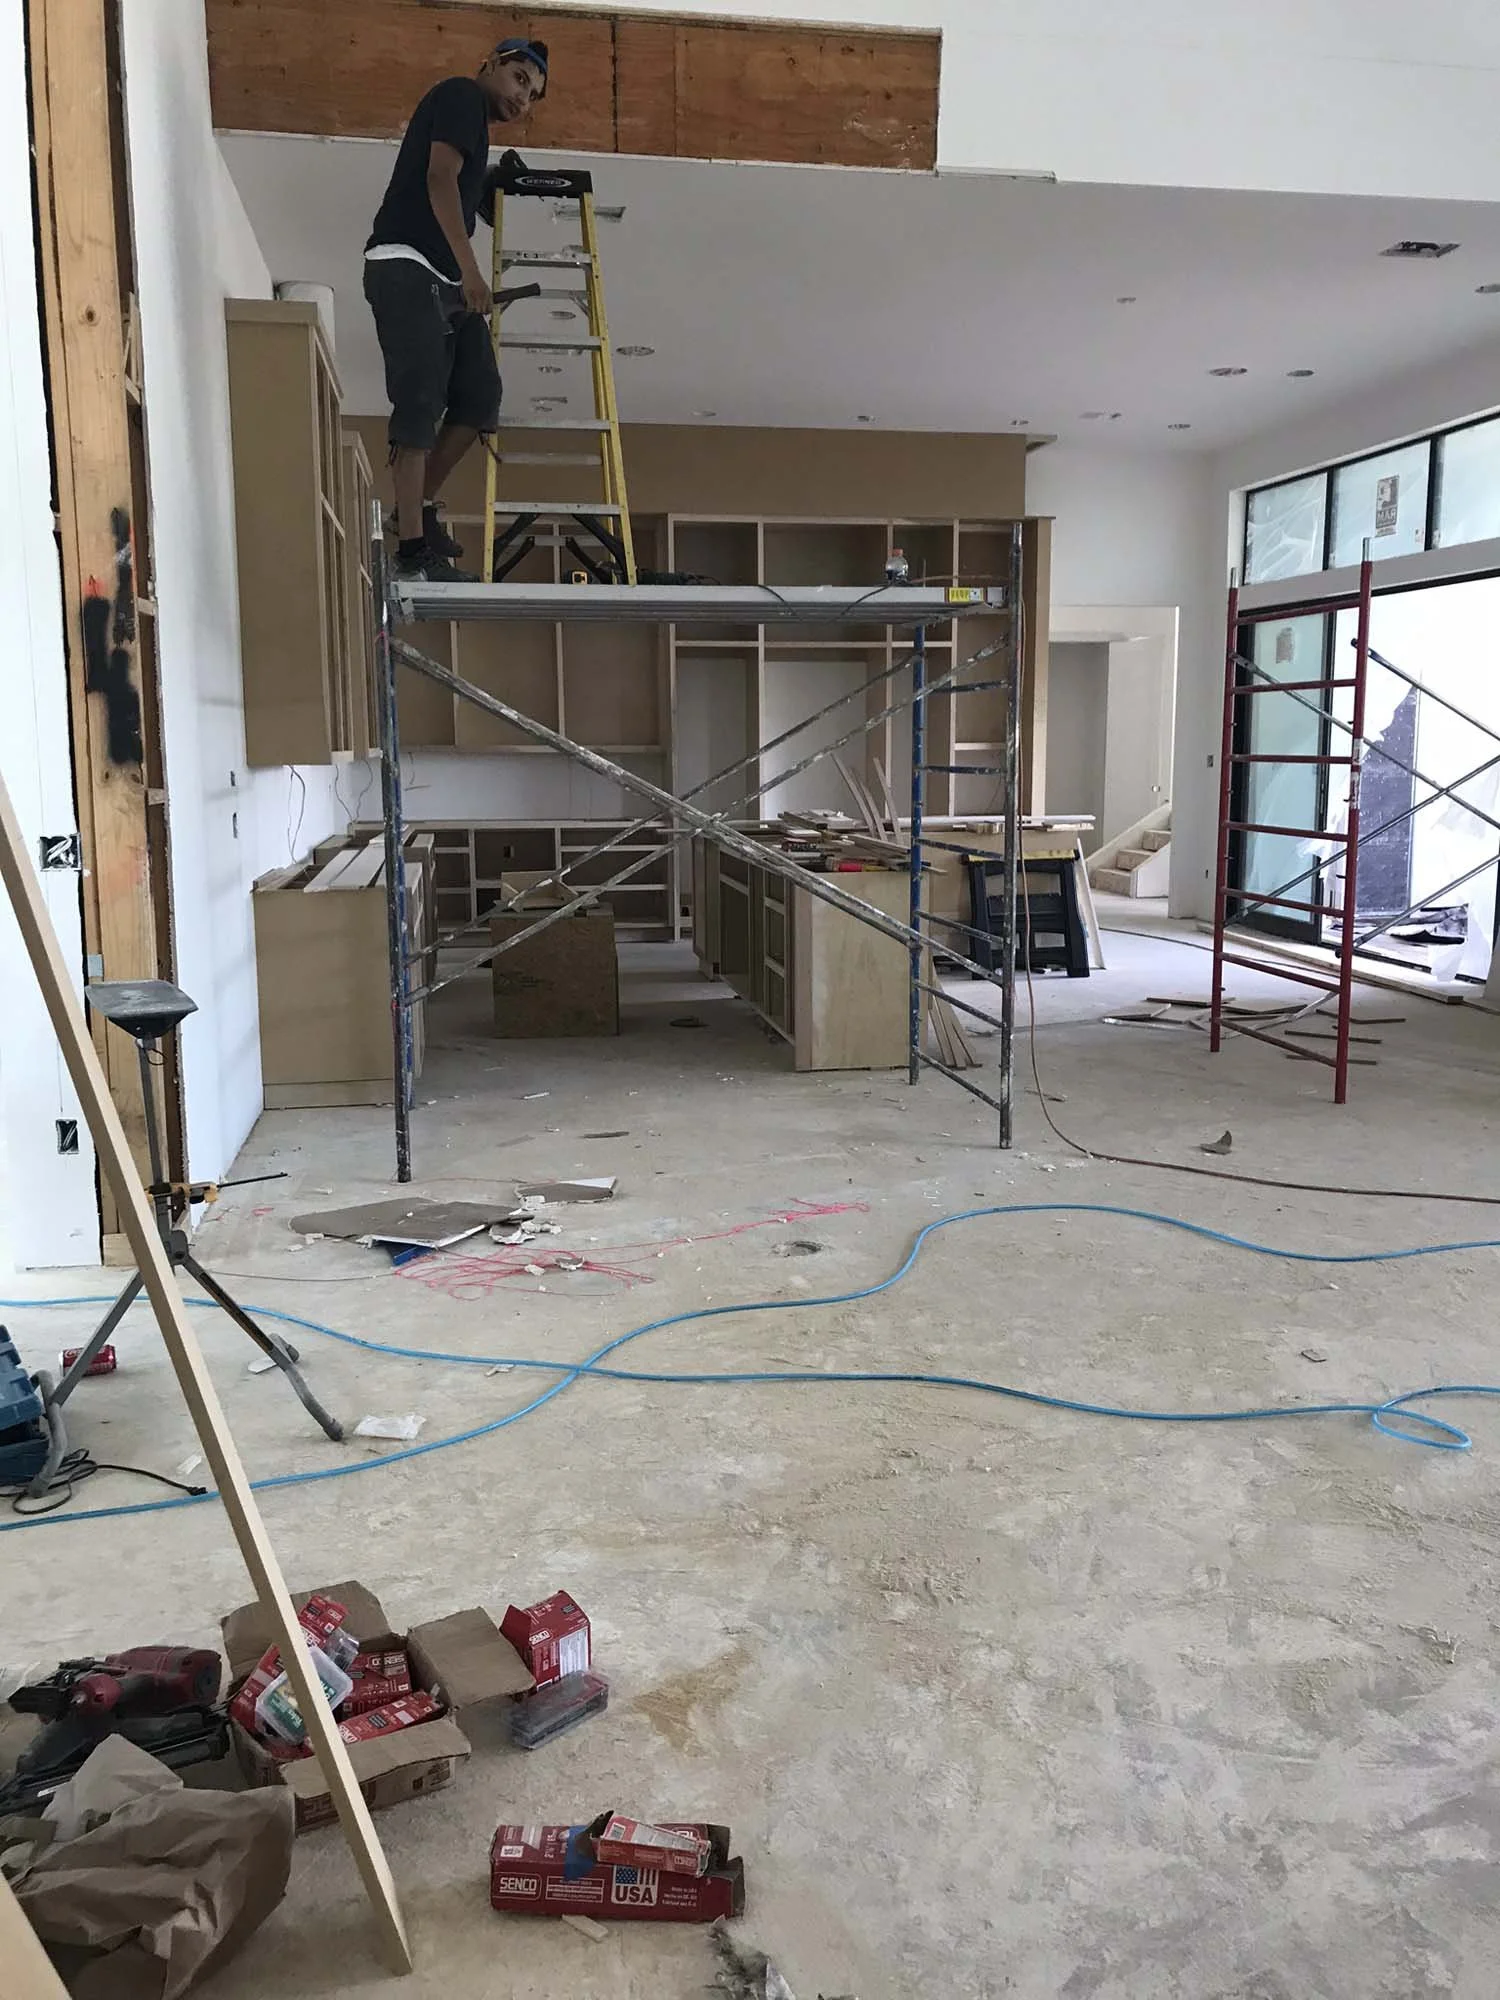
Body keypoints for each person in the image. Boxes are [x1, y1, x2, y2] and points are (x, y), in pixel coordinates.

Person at [364, 38, 550, 581]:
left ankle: (411, 512)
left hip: (442, 277)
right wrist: (473, 274)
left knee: (478, 394)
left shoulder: (475, 124)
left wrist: (490, 188)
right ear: (491, 64)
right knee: (419, 400)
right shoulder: (461, 96)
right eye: (519, 79)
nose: (524, 99)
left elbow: (458, 187)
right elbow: (438, 178)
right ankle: (412, 550)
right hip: (406, 265)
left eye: (534, 95)